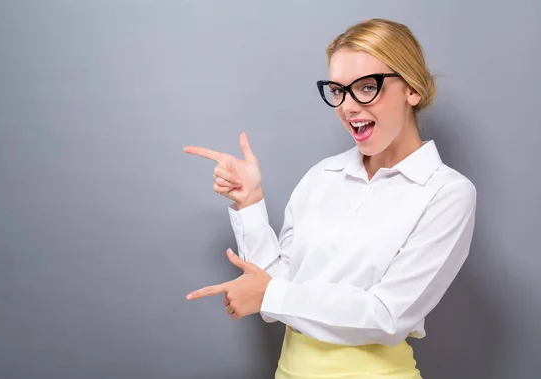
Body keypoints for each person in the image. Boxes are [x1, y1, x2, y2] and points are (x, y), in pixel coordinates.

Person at [184, 18, 476, 379]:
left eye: (367, 87)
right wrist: (250, 202)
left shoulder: (446, 192)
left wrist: (271, 295)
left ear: (411, 89)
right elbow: (274, 290)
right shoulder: (322, 176)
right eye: (338, 90)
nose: (349, 106)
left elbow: (388, 316)